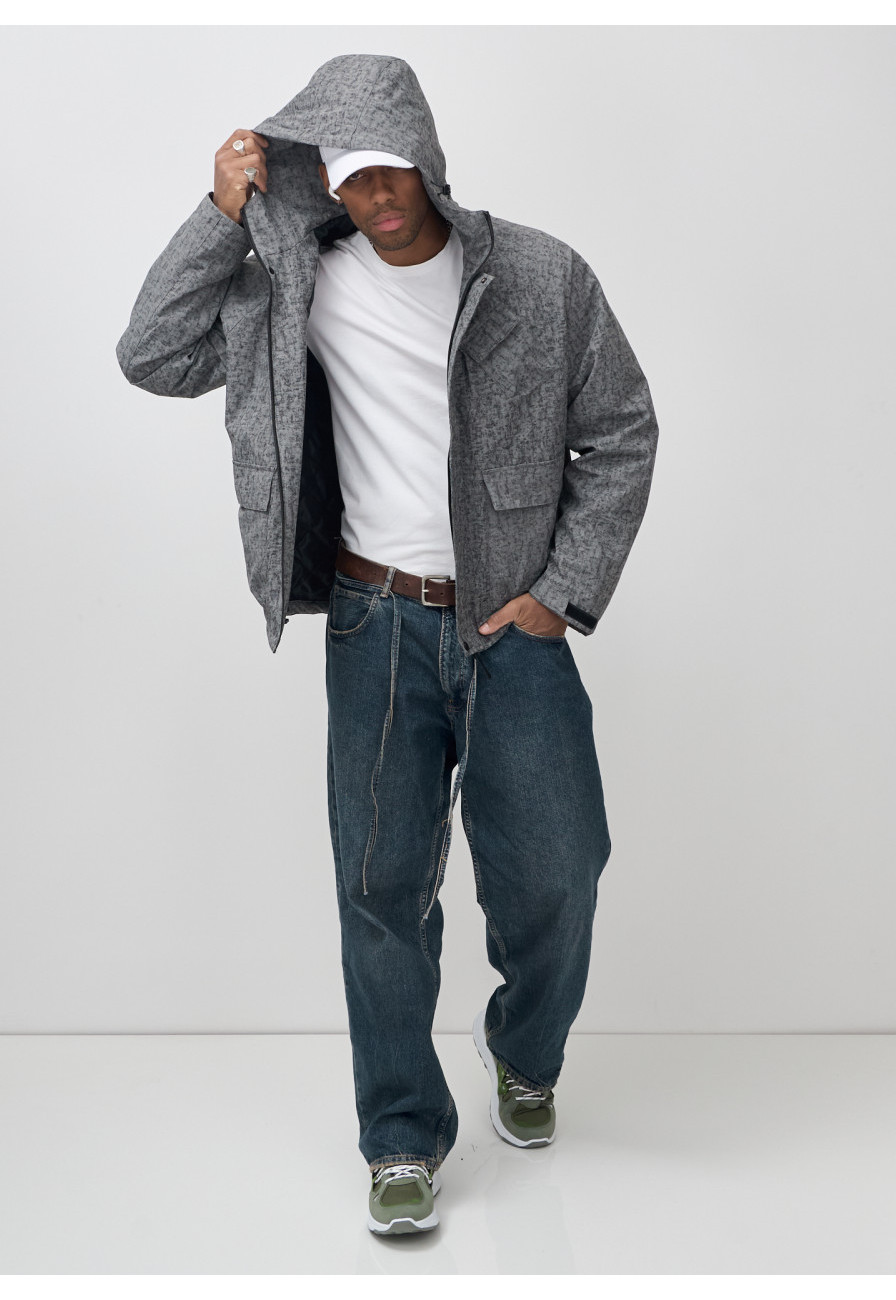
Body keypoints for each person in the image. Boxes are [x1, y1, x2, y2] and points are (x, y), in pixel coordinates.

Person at [117, 52, 659, 1236]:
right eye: (351, 178)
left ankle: (523, 1051)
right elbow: (151, 352)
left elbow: (621, 429)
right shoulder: (290, 290)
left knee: (560, 870)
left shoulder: (539, 276)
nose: (376, 198)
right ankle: (401, 1135)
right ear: (321, 181)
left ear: (427, 157)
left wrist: (561, 591)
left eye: (392, 171)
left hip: (511, 625)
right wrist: (217, 214)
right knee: (380, 888)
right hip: (374, 624)